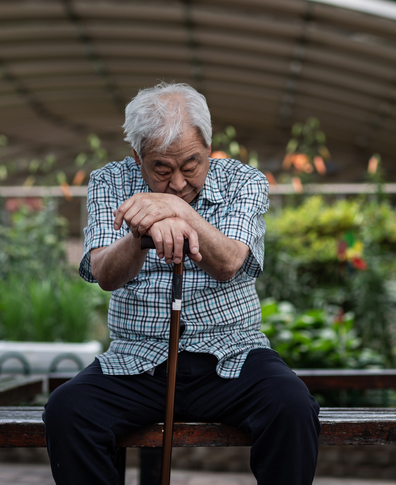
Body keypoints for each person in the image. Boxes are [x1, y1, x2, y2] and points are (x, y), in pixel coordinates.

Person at [43, 82, 321, 485]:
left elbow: (228, 263)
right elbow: (104, 273)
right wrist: (141, 234)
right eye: (161, 169)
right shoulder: (110, 181)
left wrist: (176, 211)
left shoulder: (243, 181)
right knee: (68, 411)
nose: (178, 183)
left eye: (191, 165)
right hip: (136, 361)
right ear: (137, 157)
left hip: (233, 356)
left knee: (292, 406)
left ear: (209, 148)